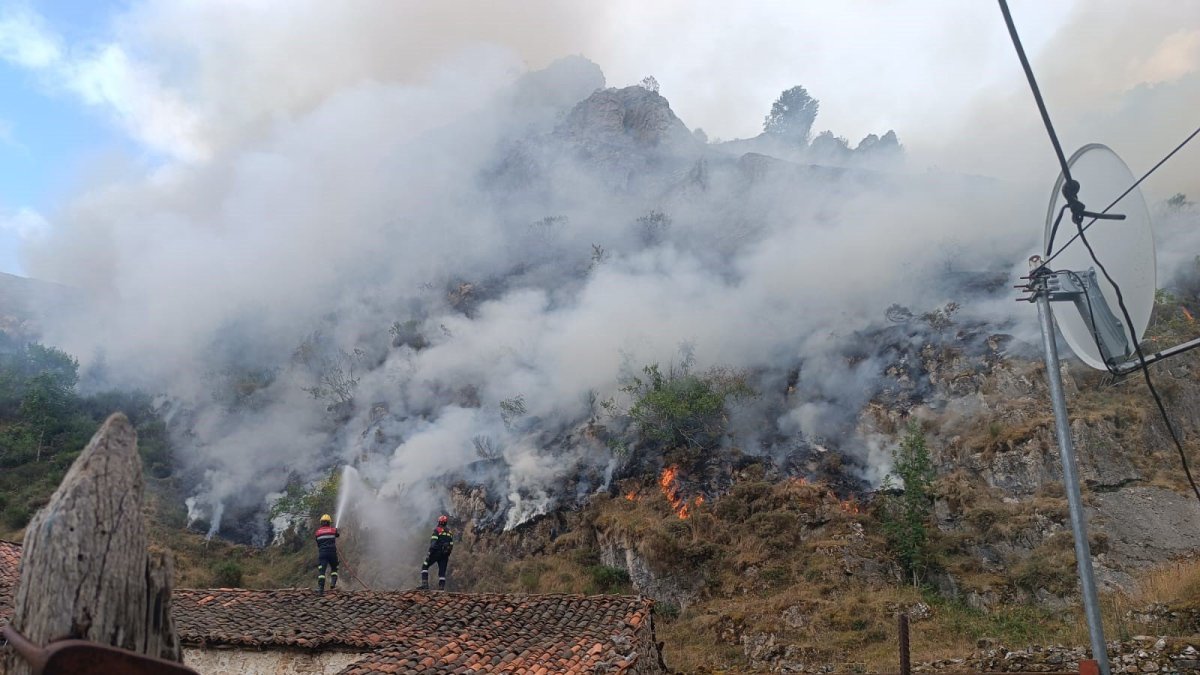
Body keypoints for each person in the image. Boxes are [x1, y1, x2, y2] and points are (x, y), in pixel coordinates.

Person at [419, 515, 454, 590]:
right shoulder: (450, 532)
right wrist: (447, 554)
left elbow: (433, 544)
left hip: (436, 553)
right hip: (445, 555)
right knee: (442, 573)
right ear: (446, 522)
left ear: (439, 522)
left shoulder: (437, 530)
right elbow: (451, 545)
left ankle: (425, 585)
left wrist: (429, 553)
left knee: (425, 566)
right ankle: (441, 588)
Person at [315, 513, 339, 593]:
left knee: (322, 571)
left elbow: (318, 544)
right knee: (334, 568)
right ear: (329, 522)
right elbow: (337, 535)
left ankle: (321, 589)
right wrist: (335, 531)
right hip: (332, 553)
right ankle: (333, 584)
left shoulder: (317, 532)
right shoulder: (333, 530)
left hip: (322, 553)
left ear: (321, 523)